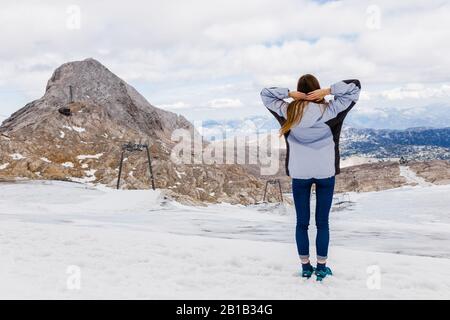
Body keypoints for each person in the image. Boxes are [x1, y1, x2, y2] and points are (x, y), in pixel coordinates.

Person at [260, 75, 361, 281]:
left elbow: (266, 94)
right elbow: (355, 87)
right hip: (325, 172)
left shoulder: (288, 112)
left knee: (302, 223)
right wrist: (328, 91)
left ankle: (306, 267)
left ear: (300, 90)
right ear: (316, 90)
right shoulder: (332, 110)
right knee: (322, 223)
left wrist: (289, 94)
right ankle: (322, 268)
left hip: (300, 173)